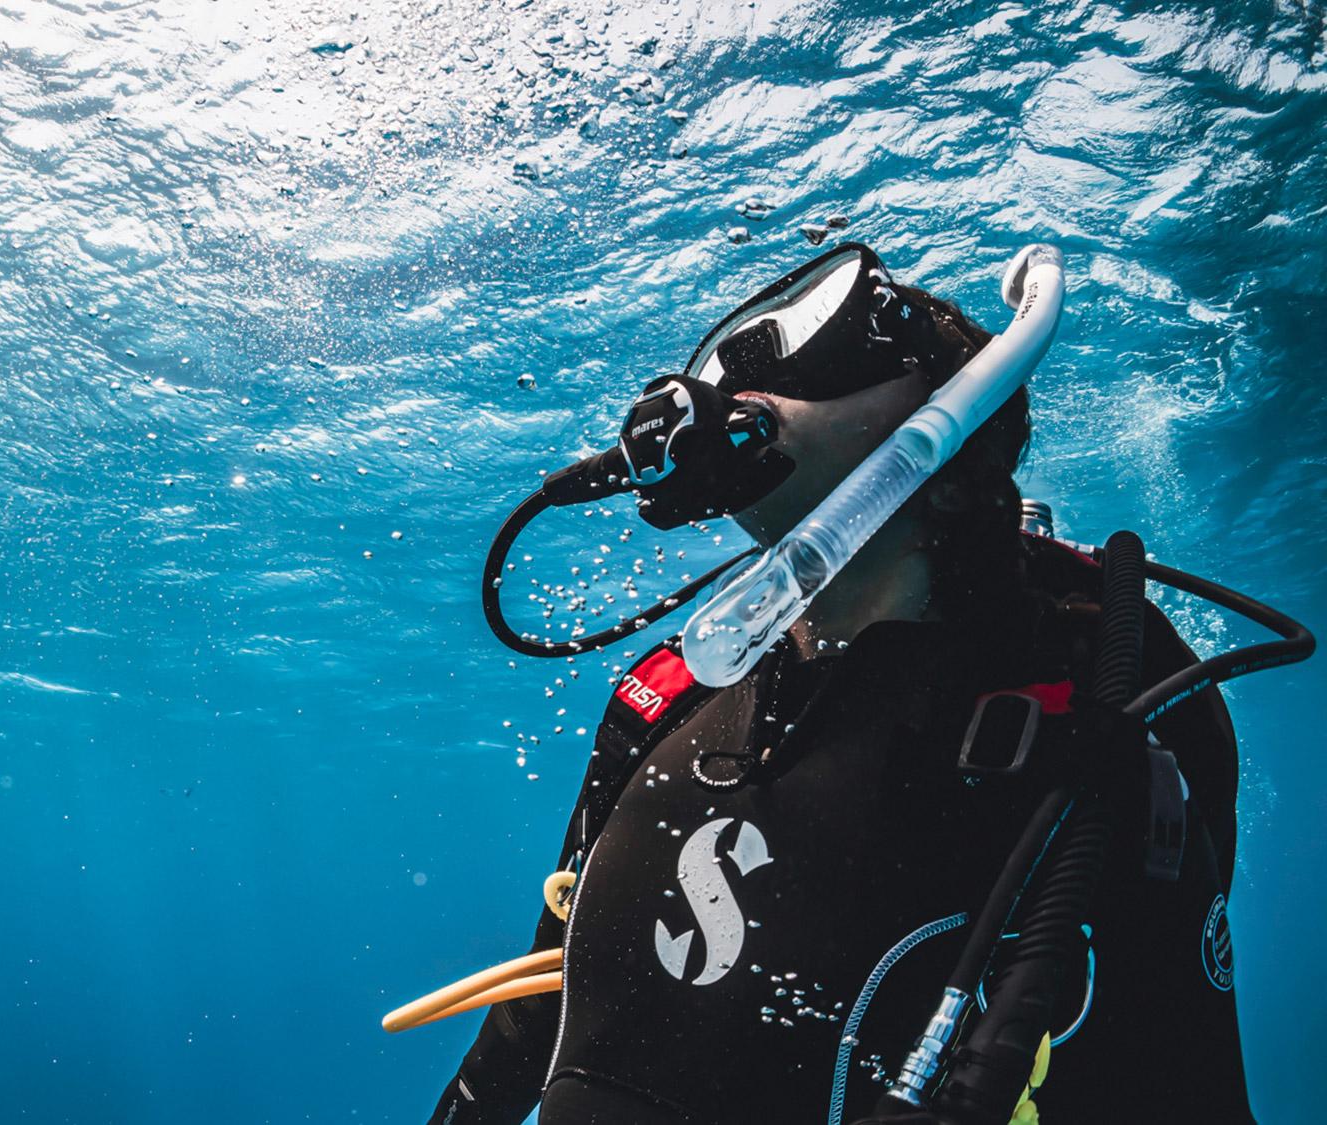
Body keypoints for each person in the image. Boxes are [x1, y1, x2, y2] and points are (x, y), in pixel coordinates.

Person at [428, 245, 1254, 1124]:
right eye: (730, 363)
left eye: (825, 346)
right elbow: (542, 1001)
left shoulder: (1085, 731)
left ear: (948, 454)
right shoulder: (667, 694)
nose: (743, 383)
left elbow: (1185, 1086)